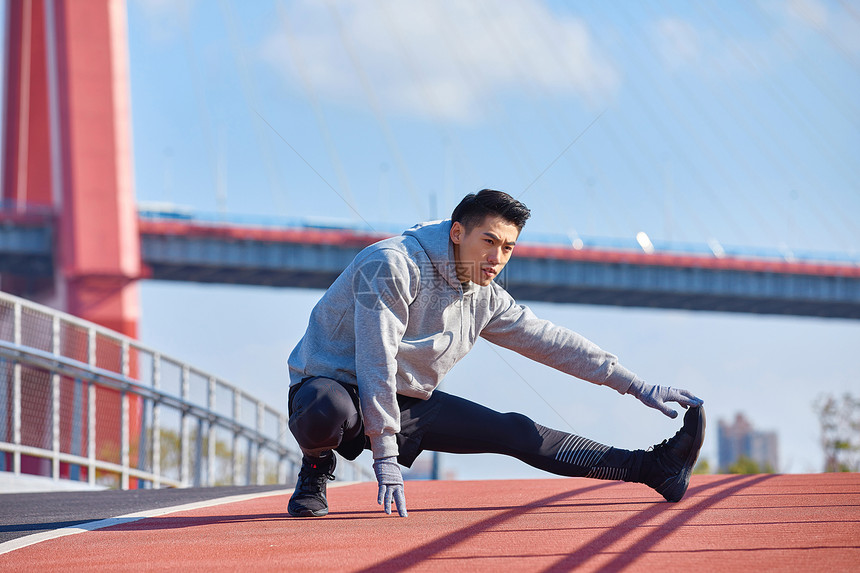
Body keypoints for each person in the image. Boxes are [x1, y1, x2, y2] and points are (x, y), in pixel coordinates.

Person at [286, 189, 705, 518]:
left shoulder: (484, 296)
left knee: (516, 431)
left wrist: (636, 384)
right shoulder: (392, 265)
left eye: (507, 247)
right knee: (328, 408)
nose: (497, 258)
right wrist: (386, 457)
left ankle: (653, 469)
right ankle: (316, 465)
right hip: (329, 385)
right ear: (457, 233)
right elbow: (374, 358)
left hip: (401, 396)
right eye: (489, 241)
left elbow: (551, 341)